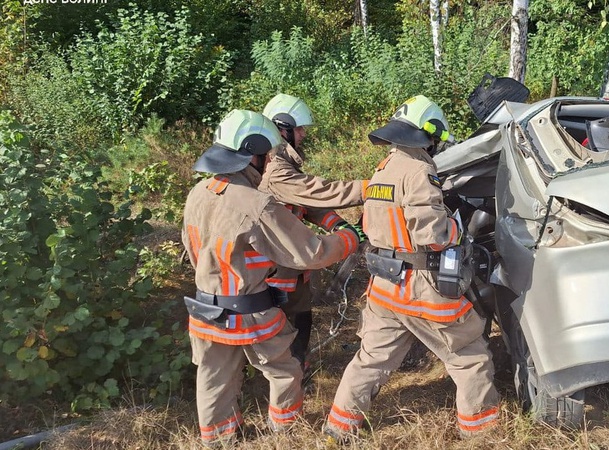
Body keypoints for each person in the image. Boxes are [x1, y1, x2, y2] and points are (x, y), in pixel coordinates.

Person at [181, 109, 364, 447]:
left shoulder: (198, 194)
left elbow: (191, 250)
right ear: (252, 153)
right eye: (266, 154)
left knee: (214, 381)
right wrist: (349, 239)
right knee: (286, 370)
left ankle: (219, 441)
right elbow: (309, 252)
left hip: (205, 310)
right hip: (250, 313)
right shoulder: (255, 203)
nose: (269, 162)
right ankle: (284, 433)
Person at [323, 95, 500, 442]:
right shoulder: (420, 169)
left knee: (371, 360)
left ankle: (339, 427)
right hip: (421, 289)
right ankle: (482, 433)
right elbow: (431, 234)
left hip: (386, 287)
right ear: (428, 135)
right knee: (468, 354)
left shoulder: (384, 168)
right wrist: (457, 228)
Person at [259, 93, 368, 373]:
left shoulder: (283, 163)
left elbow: (306, 205)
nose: (303, 134)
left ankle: (299, 370)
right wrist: (373, 188)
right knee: (284, 330)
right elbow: (319, 191)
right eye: (298, 129)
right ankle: (287, 379)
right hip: (276, 267)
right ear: (281, 129)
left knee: (302, 321)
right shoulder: (276, 170)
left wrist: (337, 224)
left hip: (292, 264)